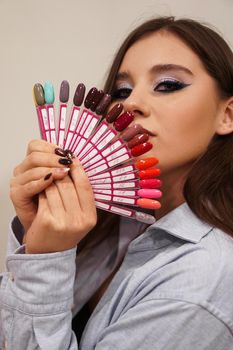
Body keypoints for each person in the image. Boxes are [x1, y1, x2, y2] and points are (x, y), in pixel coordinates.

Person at [1, 16, 233, 349]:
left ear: (227, 116)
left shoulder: (202, 283)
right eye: (122, 90)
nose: (130, 103)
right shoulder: (116, 224)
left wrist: (45, 260)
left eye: (168, 84)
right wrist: (37, 233)